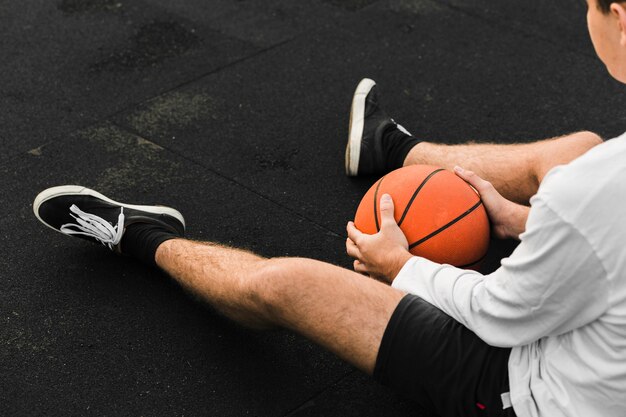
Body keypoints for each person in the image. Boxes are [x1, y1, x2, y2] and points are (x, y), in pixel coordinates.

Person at [33, 0, 626, 415]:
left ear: (619, 21)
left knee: (288, 284)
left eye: (589, 4)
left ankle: (140, 235)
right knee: (579, 151)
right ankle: (392, 149)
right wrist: (526, 220)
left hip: (526, 392)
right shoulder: (598, 188)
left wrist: (402, 267)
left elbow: (501, 317)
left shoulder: (596, 193)